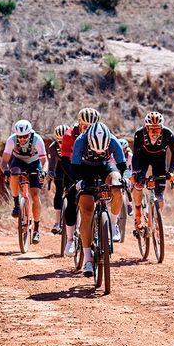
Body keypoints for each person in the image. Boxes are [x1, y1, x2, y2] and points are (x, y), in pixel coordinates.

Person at [71, 121, 127, 278]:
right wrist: (79, 182)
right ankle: (87, 259)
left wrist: (125, 179)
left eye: (102, 149)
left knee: (117, 185)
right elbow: (74, 168)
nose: (98, 152)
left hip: (105, 167)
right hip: (85, 168)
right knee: (87, 212)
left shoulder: (113, 140)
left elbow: (122, 166)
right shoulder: (80, 141)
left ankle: (114, 224)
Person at [130, 111, 174, 237]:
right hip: (143, 159)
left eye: (157, 129)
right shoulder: (139, 134)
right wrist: (135, 173)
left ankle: (157, 218)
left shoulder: (168, 134)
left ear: (161, 128)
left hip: (159, 160)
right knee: (138, 183)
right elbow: (135, 156)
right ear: (146, 128)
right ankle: (137, 213)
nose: (154, 132)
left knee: (160, 194)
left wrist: (171, 172)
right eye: (151, 129)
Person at [59, 107, 101, 256]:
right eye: (85, 126)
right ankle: (70, 239)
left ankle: (101, 225)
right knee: (71, 200)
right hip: (72, 168)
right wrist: (74, 179)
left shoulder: (100, 133)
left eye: (91, 126)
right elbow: (64, 159)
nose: (88, 129)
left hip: (91, 167)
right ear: (79, 123)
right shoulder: (70, 134)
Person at [0, 119, 49, 244]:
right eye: (20, 137)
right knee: (14, 172)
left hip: (34, 163)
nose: (22, 139)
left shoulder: (37, 140)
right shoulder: (11, 140)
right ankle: (17, 204)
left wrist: (43, 171)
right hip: (19, 162)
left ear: (30, 134)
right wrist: (6, 171)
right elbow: (4, 161)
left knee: (35, 196)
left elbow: (44, 161)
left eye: (25, 136)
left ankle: (37, 229)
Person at [48, 124, 70, 235]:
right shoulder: (52, 147)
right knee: (59, 192)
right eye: (59, 141)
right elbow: (51, 164)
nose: (61, 144)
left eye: (64, 141)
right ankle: (57, 223)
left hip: (72, 166)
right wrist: (51, 172)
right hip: (61, 168)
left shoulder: (75, 143)